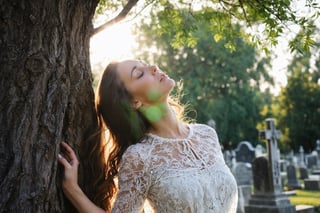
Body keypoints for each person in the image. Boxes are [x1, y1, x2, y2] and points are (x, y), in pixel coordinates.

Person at [58, 60, 238, 213]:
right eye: (139, 74)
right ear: (134, 102)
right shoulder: (139, 157)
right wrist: (72, 189)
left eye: (146, 64)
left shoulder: (207, 134)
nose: (153, 67)